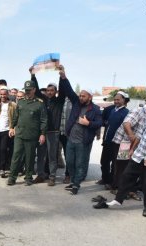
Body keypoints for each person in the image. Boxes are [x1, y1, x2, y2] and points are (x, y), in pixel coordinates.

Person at [94, 100, 146, 217]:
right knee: (126, 177)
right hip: (139, 155)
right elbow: (139, 135)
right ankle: (118, 200)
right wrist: (132, 149)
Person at [58, 65, 102, 194]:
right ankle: (73, 181)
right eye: (80, 95)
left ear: (90, 97)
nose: (81, 97)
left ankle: (76, 185)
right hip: (71, 139)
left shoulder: (95, 109)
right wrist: (63, 76)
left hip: (83, 142)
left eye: (83, 96)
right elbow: (69, 90)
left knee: (80, 164)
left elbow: (99, 123)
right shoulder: (77, 102)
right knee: (70, 162)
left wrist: (88, 123)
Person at [29, 66, 66, 186]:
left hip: (53, 133)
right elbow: (37, 90)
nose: (49, 92)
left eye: (52, 90)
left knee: (52, 156)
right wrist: (33, 75)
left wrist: (61, 76)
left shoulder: (59, 101)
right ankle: (40, 175)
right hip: (42, 133)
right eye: (48, 90)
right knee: (40, 154)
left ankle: (52, 177)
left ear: (55, 92)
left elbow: (63, 90)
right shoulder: (43, 100)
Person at [7, 80, 47, 186]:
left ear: (34, 90)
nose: (27, 92)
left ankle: (28, 177)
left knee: (30, 157)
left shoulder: (39, 104)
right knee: (16, 156)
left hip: (32, 135)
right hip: (19, 134)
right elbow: (15, 116)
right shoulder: (20, 102)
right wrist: (11, 127)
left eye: (29, 90)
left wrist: (42, 133)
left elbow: (44, 120)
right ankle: (12, 177)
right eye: (26, 90)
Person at [97, 91, 130, 188]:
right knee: (104, 162)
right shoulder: (112, 110)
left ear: (124, 100)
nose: (116, 101)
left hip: (120, 144)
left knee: (116, 165)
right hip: (107, 141)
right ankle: (105, 179)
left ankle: (113, 183)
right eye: (115, 99)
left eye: (118, 99)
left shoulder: (126, 113)